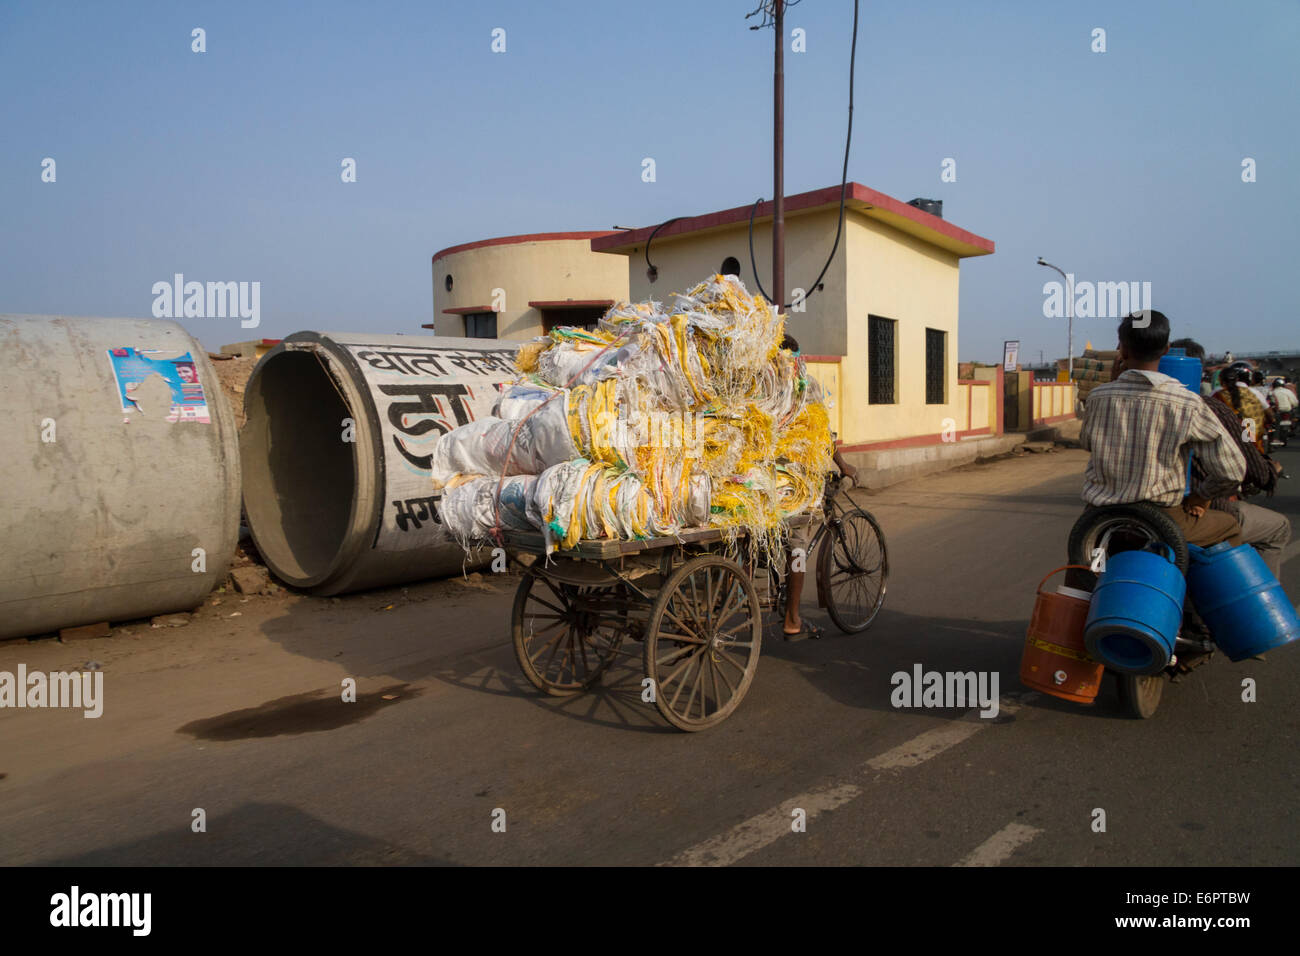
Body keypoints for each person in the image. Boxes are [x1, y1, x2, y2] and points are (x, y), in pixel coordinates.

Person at [1082, 312, 1245, 550]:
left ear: (1122, 351)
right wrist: (1201, 496)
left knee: (1081, 565)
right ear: (1166, 349)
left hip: (1099, 518)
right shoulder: (1187, 402)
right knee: (1229, 525)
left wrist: (1113, 384)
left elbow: (1087, 443)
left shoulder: (1097, 397)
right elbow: (1233, 470)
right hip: (1161, 519)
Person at [1170, 339, 1292, 578]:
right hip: (1240, 459)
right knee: (1278, 528)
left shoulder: (1218, 396)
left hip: (1136, 511)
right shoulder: (1234, 400)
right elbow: (1240, 459)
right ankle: (1258, 609)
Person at [780, 334, 858, 640]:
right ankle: (792, 618)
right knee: (797, 546)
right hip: (794, 481)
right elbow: (821, 432)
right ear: (798, 358)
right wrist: (842, 465)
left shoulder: (757, 384)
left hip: (755, 483)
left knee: (760, 542)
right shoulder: (804, 384)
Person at [1214, 362, 1271, 453]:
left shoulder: (1216, 393)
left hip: (1223, 437)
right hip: (1248, 434)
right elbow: (1269, 413)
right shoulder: (1254, 393)